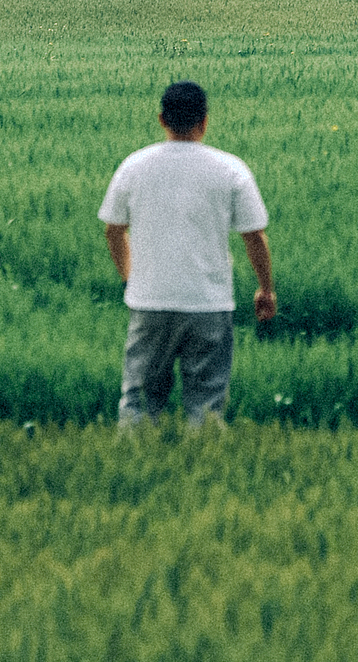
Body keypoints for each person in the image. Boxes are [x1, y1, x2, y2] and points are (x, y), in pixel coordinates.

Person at [98, 80, 276, 426]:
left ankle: (133, 470)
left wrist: (130, 277)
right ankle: (204, 471)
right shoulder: (230, 169)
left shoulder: (134, 166)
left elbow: (113, 230)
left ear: (162, 119)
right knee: (206, 407)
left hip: (150, 302)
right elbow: (254, 236)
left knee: (138, 405)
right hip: (209, 303)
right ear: (205, 121)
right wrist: (265, 289)